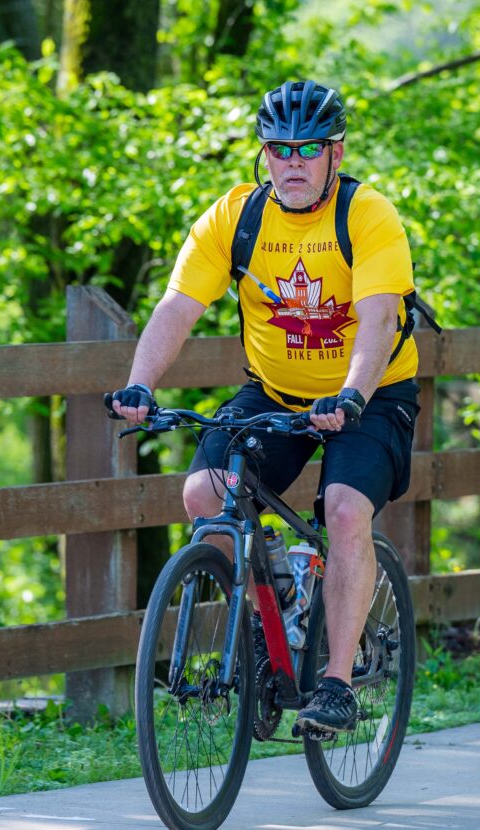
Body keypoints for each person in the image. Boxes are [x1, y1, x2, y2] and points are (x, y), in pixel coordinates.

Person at [107, 79, 422, 736]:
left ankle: (336, 683)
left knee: (342, 509)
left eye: (309, 147)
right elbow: (178, 306)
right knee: (204, 493)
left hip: (371, 395)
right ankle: (267, 604)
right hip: (277, 391)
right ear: (264, 152)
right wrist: (139, 383)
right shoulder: (236, 216)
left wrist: (354, 394)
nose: (294, 161)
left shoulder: (368, 215)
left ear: (337, 151)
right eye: (279, 148)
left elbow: (378, 317)